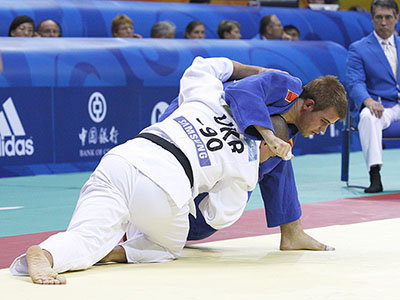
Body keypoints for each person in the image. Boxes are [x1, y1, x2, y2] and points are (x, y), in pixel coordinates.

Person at [10, 57, 301, 284]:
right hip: (165, 187)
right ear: (267, 146)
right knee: (166, 246)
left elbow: (204, 66)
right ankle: (114, 252)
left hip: (122, 159)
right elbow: (216, 216)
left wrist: (255, 70)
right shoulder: (247, 169)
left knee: (86, 233)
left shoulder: (212, 100)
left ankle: (46, 254)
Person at [101, 68, 347, 264]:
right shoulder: (286, 85)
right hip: (191, 128)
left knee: (282, 156)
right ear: (308, 105)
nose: (324, 130)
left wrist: (271, 143)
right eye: (324, 121)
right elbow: (243, 92)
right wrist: (268, 137)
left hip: (226, 142)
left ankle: (292, 232)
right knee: (196, 216)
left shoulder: (288, 123)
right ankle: (144, 223)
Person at [346, 0, 400, 193]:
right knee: (368, 117)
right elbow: (355, 82)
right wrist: (367, 101)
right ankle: (375, 174)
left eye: (388, 17)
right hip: (380, 106)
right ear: (372, 19)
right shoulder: (359, 48)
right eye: (379, 17)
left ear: (396, 18)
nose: (383, 22)